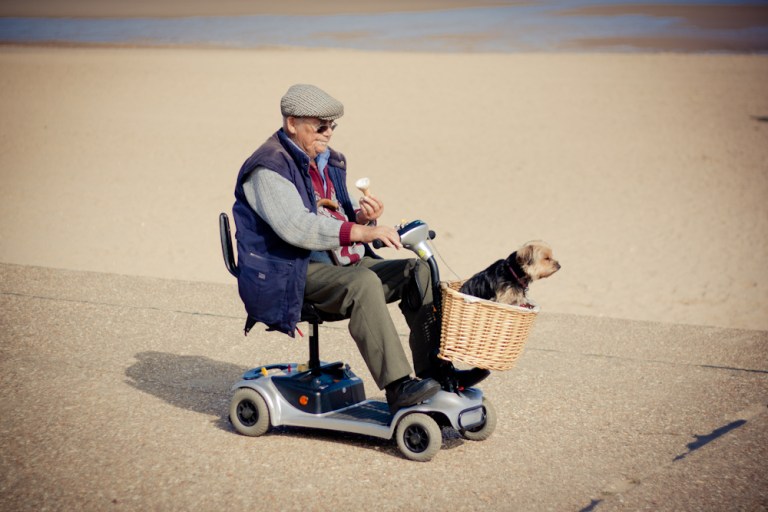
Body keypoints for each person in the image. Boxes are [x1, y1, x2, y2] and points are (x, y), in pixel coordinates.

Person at [232, 84, 487, 413]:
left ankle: (434, 372)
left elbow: (334, 213)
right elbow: (298, 227)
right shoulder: (269, 168)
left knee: (417, 271)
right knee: (363, 284)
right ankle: (399, 386)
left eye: (331, 126)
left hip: (336, 265)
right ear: (292, 123)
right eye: (319, 126)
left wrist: (363, 218)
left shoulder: (327, 162)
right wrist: (362, 233)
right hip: (288, 273)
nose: (328, 134)